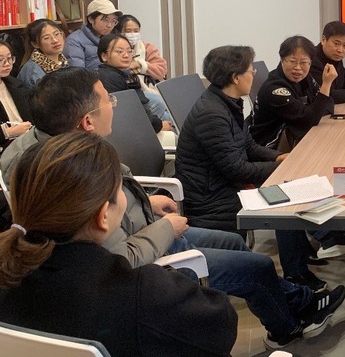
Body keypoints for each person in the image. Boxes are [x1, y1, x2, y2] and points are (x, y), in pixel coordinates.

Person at [1, 66, 345, 350]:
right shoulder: (67, 169)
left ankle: (297, 301)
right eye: (109, 100)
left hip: (142, 231)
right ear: (87, 121)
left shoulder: (53, 153)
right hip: (146, 251)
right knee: (255, 266)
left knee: (233, 243)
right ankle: (287, 326)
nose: (114, 106)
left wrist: (144, 201)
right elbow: (117, 257)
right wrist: (165, 229)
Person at [0, 131, 238, 357]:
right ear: (103, 216)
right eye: (121, 189)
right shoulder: (143, 293)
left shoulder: (10, 275)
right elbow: (221, 328)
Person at [175, 46, 328, 291]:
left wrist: (280, 158)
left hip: (223, 183)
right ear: (235, 78)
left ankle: (300, 263)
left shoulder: (227, 102)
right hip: (211, 197)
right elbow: (236, 170)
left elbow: (249, 145)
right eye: (250, 70)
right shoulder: (212, 114)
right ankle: (296, 274)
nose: (254, 74)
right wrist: (279, 169)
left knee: (286, 186)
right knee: (283, 196)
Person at [251, 35, 337, 150]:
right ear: (282, 60)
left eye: (303, 62)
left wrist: (314, 111)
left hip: (292, 139)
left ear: (310, 63)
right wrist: (326, 84)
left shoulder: (305, 77)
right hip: (266, 147)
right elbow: (310, 119)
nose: (298, 68)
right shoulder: (275, 89)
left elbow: (328, 103)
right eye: (292, 61)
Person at [95, 32, 170, 133]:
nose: (126, 55)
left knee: (166, 115)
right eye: (119, 52)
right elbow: (130, 114)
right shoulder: (109, 77)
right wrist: (159, 125)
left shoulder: (123, 73)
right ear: (104, 56)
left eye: (129, 51)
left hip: (140, 122)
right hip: (127, 131)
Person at [64, 0, 121, 69]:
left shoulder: (112, 38)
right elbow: (77, 72)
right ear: (91, 19)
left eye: (113, 21)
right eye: (105, 20)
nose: (109, 25)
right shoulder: (74, 41)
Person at [115, 14, 168, 84]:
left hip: (148, 86)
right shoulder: (113, 49)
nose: (133, 34)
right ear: (119, 32)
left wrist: (140, 64)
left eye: (136, 31)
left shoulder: (147, 48)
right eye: (128, 31)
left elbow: (161, 70)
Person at [17, 18, 70, 87]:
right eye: (46, 38)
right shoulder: (33, 70)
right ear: (35, 44)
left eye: (57, 34)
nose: (55, 40)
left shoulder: (62, 60)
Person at [0, 37, 32, 149]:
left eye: (9, 58)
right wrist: (7, 133)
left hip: (27, 140)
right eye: (0, 60)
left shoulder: (17, 85)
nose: (7, 64)